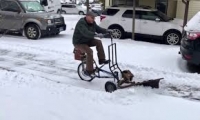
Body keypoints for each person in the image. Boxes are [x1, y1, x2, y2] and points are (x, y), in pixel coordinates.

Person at [73, 11, 113, 76]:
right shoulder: (81, 23)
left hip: (87, 40)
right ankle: (89, 70)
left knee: (98, 42)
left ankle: (101, 59)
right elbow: (86, 33)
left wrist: (107, 30)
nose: (93, 19)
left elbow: (98, 29)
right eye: (92, 18)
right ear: (87, 16)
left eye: (94, 18)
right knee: (89, 51)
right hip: (79, 43)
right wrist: (96, 35)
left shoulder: (92, 23)